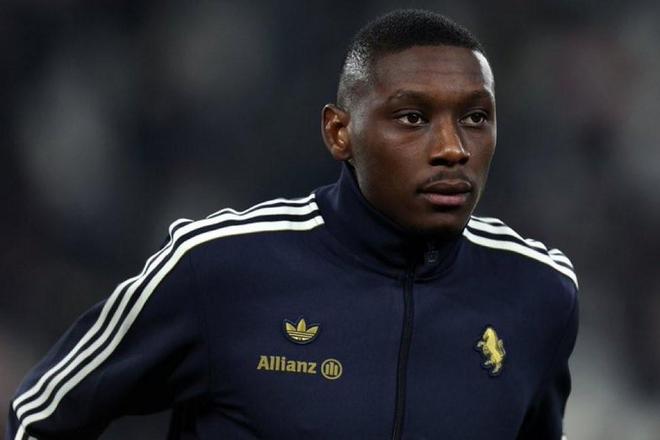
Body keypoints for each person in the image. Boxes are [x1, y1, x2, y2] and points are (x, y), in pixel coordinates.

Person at [6, 9, 578, 440]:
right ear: (339, 133)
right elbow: (41, 417)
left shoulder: (540, 292)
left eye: (475, 117)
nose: (453, 148)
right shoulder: (218, 265)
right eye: (412, 117)